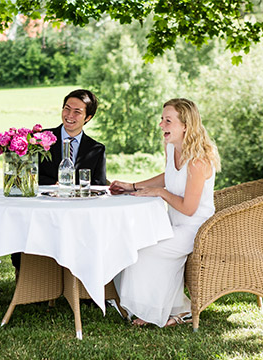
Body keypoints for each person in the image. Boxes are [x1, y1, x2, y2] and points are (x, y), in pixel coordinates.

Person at [109, 98, 220, 327]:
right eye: (162, 119)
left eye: (168, 121)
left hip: (196, 231)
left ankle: (156, 310)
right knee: (132, 239)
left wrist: (160, 193)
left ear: (185, 126)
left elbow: (189, 209)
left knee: (145, 250)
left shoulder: (198, 161)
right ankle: (160, 307)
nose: (161, 125)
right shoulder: (172, 149)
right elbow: (169, 176)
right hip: (174, 223)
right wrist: (133, 185)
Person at [13, 89, 112, 270]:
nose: (69, 115)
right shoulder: (39, 140)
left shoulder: (96, 149)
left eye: (77, 112)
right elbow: (26, 175)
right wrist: (52, 184)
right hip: (42, 214)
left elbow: (98, 185)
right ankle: (31, 276)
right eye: (67, 109)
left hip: (79, 219)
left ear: (88, 117)